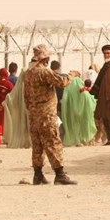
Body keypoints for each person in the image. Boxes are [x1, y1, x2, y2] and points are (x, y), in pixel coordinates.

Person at [22, 45, 76, 185]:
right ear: (45, 58)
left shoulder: (28, 73)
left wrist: (32, 110)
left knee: (38, 145)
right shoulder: (44, 72)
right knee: (53, 143)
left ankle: (38, 174)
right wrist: (72, 75)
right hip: (47, 115)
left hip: (34, 116)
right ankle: (60, 174)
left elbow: (26, 97)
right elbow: (61, 82)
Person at [61, 76, 98, 147]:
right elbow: (91, 104)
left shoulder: (75, 92)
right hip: (85, 115)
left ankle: (78, 141)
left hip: (74, 114)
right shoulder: (85, 93)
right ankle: (86, 141)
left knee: (75, 127)